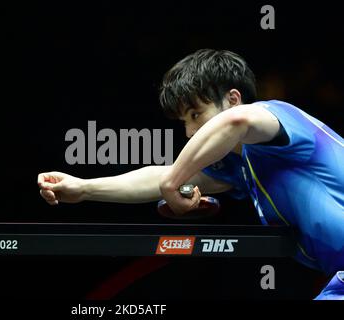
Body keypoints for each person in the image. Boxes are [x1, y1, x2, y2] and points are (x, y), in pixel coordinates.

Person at [37, 49, 344, 300]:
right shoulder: (241, 167)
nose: (190, 131)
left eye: (196, 114)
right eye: (184, 121)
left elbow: (236, 122)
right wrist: (85, 188)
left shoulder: (278, 116)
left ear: (233, 99)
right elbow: (161, 178)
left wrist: (171, 183)